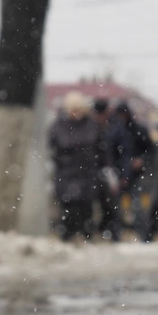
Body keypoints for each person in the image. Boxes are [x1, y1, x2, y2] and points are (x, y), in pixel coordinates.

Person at [49, 92, 105, 241]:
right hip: (67, 174)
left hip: (87, 174)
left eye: (78, 109)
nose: (76, 113)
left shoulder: (91, 125)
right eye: (73, 110)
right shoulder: (59, 125)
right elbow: (54, 147)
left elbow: (100, 149)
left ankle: (86, 236)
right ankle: (68, 236)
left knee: (86, 208)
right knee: (69, 208)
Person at [108, 101, 154, 241]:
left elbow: (151, 150)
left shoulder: (138, 130)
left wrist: (142, 160)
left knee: (138, 207)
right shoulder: (113, 132)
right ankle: (116, 236)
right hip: (118, 175)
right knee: (116, 209)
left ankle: (144, 236)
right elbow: (109, 154)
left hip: (136, 175)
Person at [92, 98, 122, 241]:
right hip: (94, 171)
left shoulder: (115, 127)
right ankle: (99, 232)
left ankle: (113, 233)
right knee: (98, 205)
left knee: (112, 205)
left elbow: (121, 150)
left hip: (112, 170)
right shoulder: (92, 127)